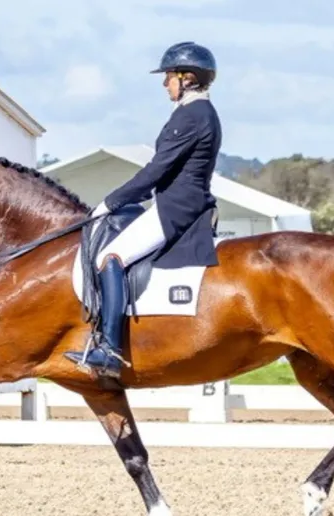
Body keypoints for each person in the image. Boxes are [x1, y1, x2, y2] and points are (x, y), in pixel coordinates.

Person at [64, 41, 223, 379]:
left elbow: (157, 169)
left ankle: (109, 348)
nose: (165, 83)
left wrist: (111, 202)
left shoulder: (192, 114)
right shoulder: (199, 113)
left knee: (111, 258)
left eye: (169, 76)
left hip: (176, 206)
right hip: (182, 201)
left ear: (188, 78)